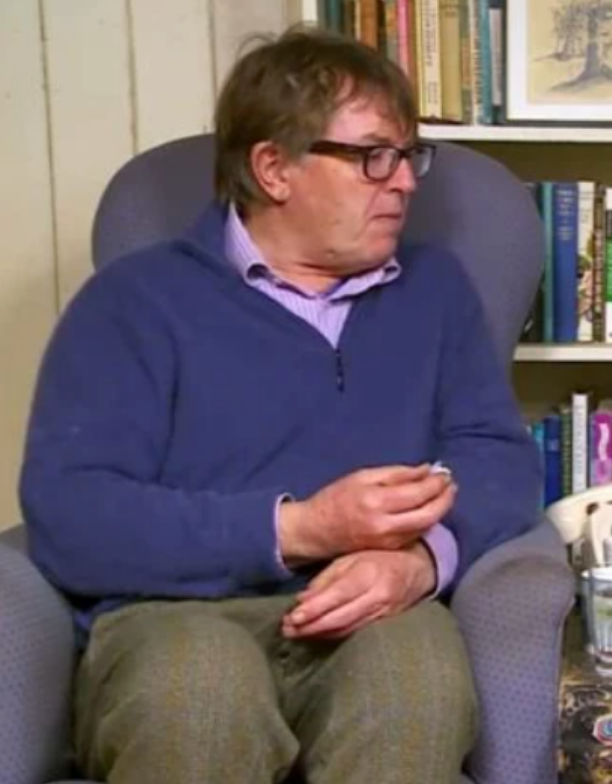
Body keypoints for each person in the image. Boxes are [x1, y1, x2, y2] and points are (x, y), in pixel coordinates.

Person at [19, 28, 540, 784]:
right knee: (198, 691)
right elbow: (72, 513)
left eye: (407, 155)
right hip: (172, 613)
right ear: (273, 169)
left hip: (376, 605)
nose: (402, 182)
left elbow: (500, 461)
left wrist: (425, 563)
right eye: (371, 157)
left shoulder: (435, 292)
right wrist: (300, 527)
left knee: (414, 682)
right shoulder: (133, 303)